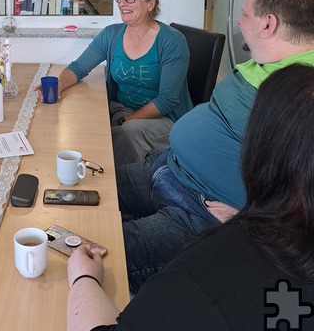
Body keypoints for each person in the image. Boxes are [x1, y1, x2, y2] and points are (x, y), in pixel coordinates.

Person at [67, 63, 314, 330]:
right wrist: (251, 213)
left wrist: (84, 279)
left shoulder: (205, 275)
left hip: (201, 217)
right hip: (175, 176)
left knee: (81, 255)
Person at [117, 0, 314, 295]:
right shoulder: (267, 60)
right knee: (84, 193)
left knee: (95, 254)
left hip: (199, 210)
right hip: (167, 166)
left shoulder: (301, 93)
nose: (238, 22)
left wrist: (253, 223)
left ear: (268, 24)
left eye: (244, 14)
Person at [38, 0, 193, 166]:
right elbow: (78, 67)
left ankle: (113, 183)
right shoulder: (112, 34)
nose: (122, 3)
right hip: (123, 113)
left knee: (125, 133)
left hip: (165, 121)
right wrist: (58, 85)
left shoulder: (172, 41)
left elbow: (166, 101)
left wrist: (123, 121)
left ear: (150, 4)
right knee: (86, 119)